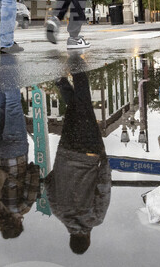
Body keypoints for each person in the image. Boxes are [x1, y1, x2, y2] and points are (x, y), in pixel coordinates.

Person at [45, 72, 112, 254]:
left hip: (89, 153)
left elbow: (104, 187)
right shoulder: (58, 211)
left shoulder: (95, 218)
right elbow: (48, 184)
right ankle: (61, 81)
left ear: (88, 238)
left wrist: (104, 161)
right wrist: (62, 168)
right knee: (75, 113)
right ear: (71, 237)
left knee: (84, 106)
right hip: (66, 151)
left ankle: (78, 69)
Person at [0, 86, 40, 239]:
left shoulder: (22, 207)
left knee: (13, 104)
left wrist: (28, 169)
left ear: (18, 223)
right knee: (0, 110)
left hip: (15, 152)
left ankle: (7, 67)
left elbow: (34, 176)